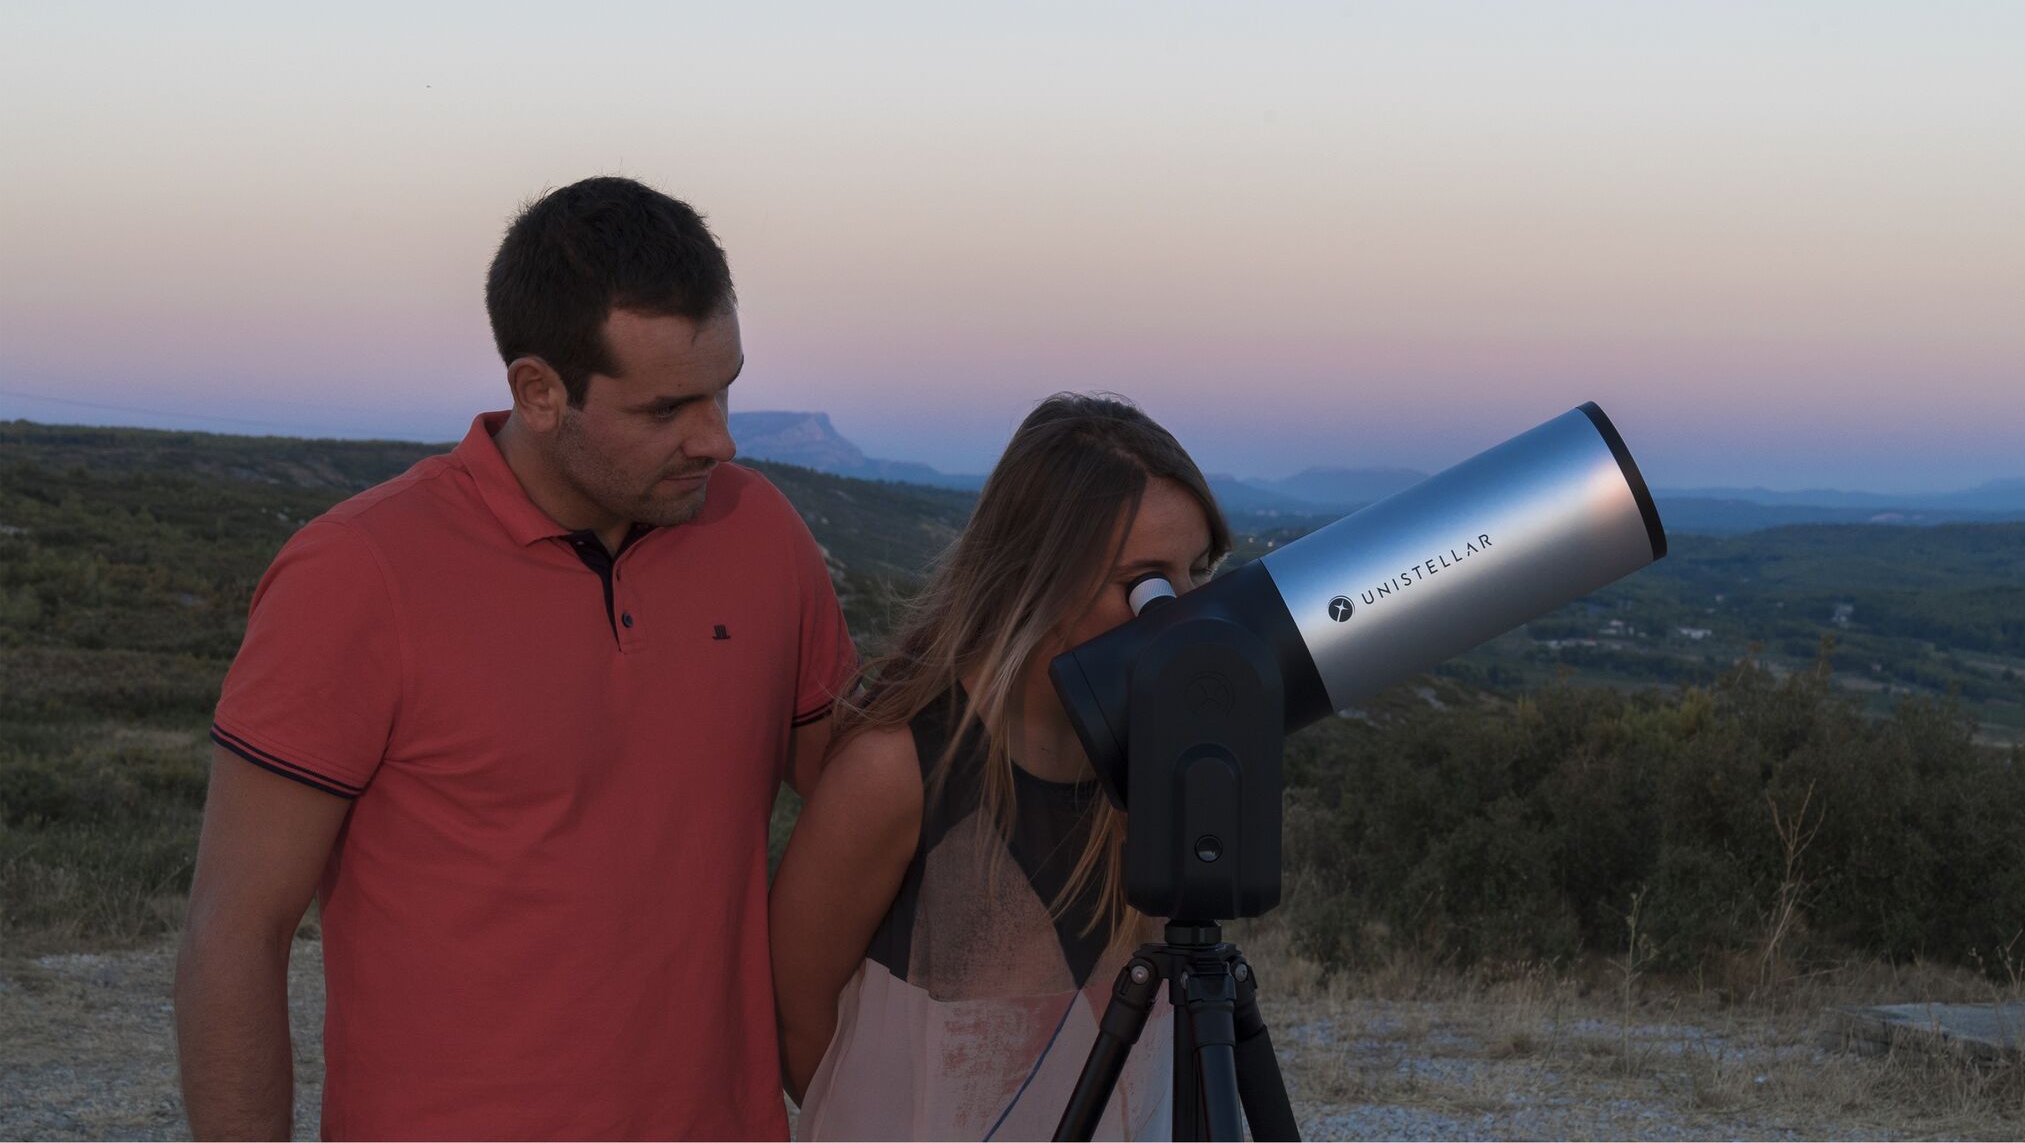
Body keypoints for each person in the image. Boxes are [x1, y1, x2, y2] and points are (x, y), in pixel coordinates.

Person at [175, 176, 856, 1140]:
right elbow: (234, 934)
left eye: (725, 388)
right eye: (668, 409)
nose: (719, 439)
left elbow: (873, 808)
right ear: (538, 392)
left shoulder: (762, 535)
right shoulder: (357, 574)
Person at [771, 394, 1232, 1140]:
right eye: (1145, 584)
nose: (1178, 614)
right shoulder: (898, 768)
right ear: (1040, 575)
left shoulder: (1159, 756)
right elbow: (799, 1017)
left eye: (1198, 574)